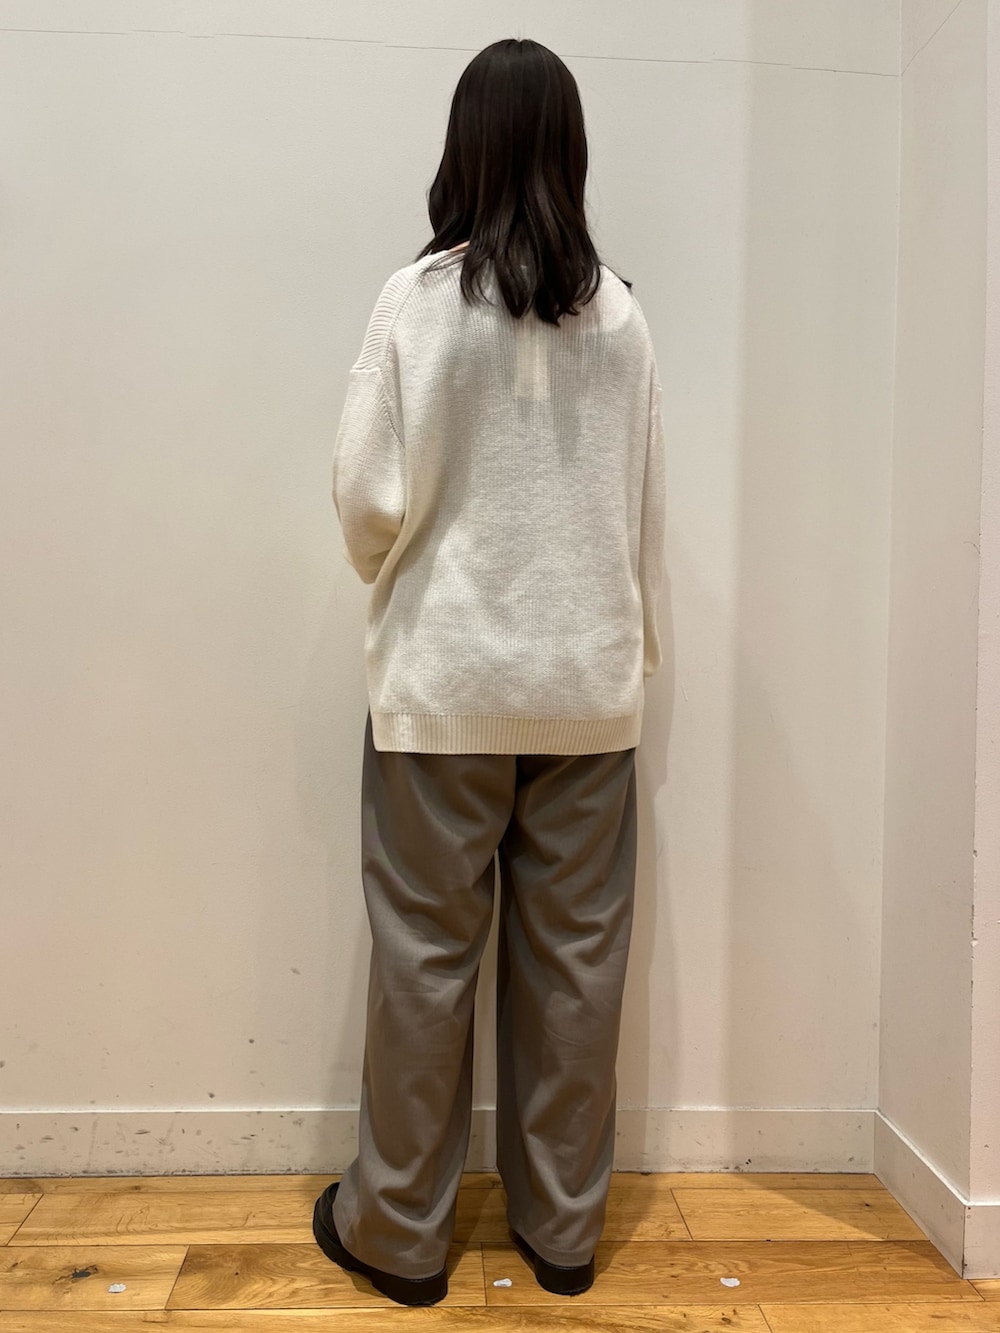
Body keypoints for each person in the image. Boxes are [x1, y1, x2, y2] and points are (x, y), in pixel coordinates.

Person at [311, 35, 666, 1308]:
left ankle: (400, 1234)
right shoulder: (620, 314)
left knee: (423, 957)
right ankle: (561, 1233)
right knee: (577, 966)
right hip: (588, 693)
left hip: (443, 686)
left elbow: (364, 498)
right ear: (571, 153)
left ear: (463, 148)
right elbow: (642, 509)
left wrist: (402, 575)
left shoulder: (416, 303)